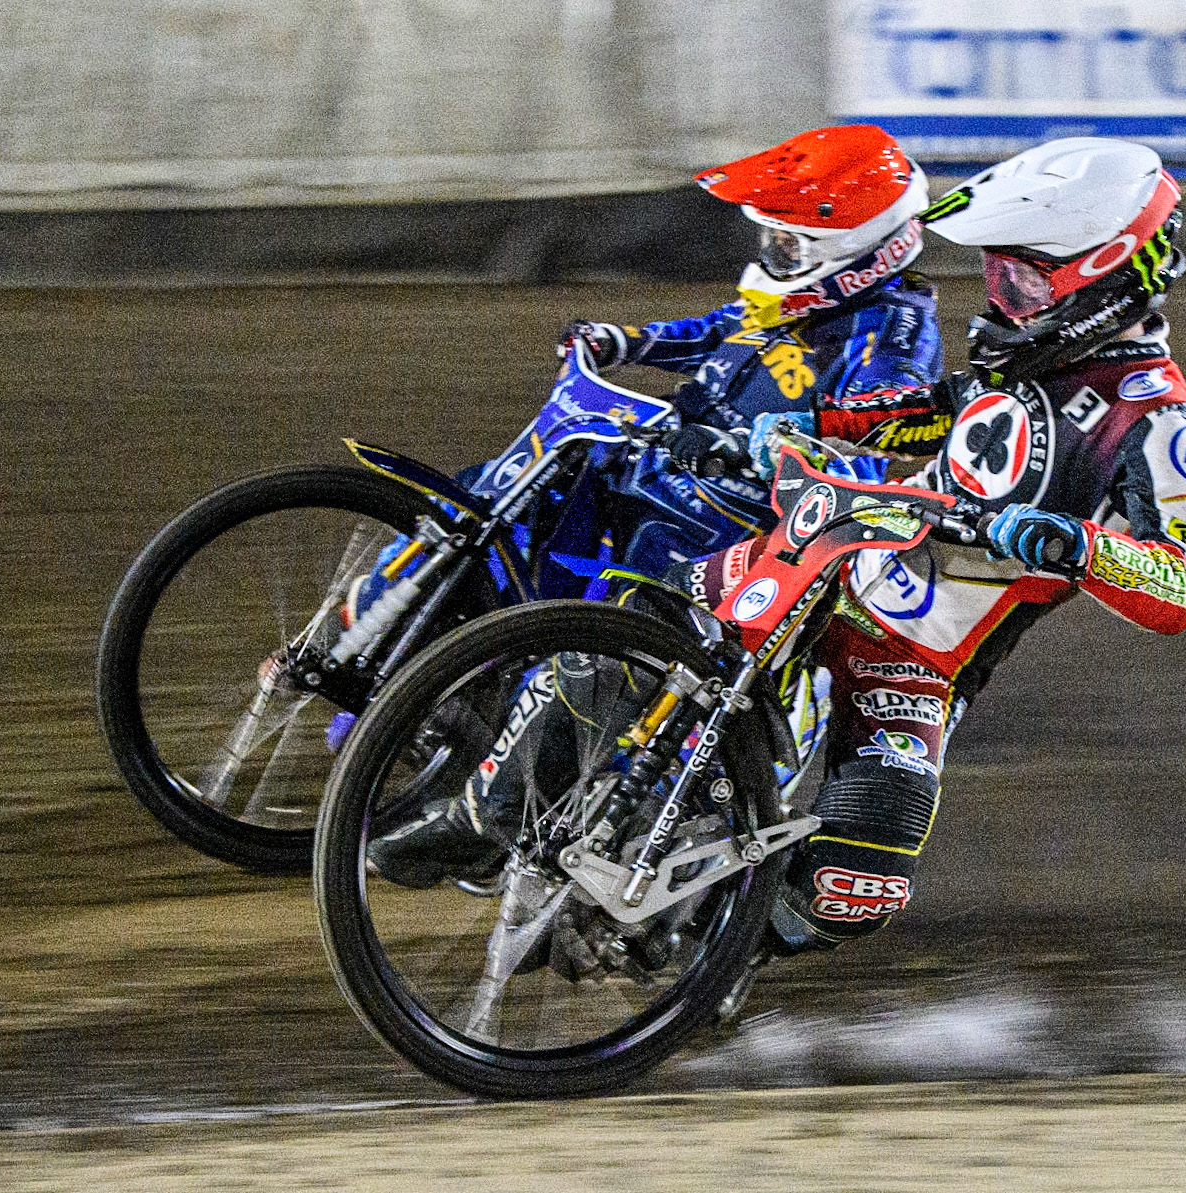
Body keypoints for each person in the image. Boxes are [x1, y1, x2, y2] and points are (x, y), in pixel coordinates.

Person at [671, 137, 1186, 968]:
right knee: (646, 611)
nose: (1000, 298)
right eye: (998, 276)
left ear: (1106, 273)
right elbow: (916, 411)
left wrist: (1074, 542)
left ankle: (705, 964)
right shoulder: (1026, 366)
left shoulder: (1157, 423)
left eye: (1023, 280)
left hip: (912, 663)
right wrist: (783, 430)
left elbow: (1179, 587)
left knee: (852, 890)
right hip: (826, 564)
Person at [367, 124, 946, 886]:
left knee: (601, 639)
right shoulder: (786, 303)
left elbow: (887, 425)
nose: (773, 253)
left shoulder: (894, 328)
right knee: (531, 492)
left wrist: (781, 441)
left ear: (859, 251)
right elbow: (715, 332)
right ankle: (451, 659)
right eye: (769, 236)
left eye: (789, 241)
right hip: (678, 470)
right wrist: (626, 340)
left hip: (746, 525)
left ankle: (489, 815)